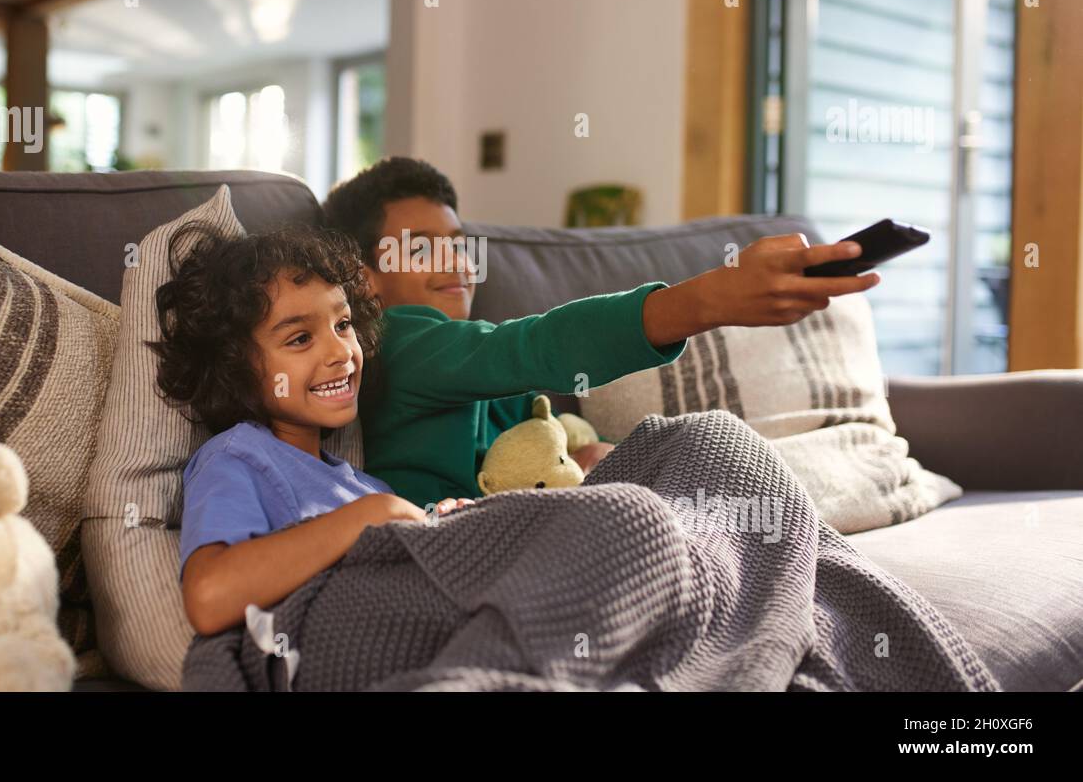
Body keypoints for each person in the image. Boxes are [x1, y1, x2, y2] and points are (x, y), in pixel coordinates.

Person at [321, 157, 878, 507]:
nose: (459, 263)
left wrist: (586, 455)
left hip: (523, 531)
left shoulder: (487, 378)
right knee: (704, 441)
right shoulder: (395, 339)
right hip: (447, 550)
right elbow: (535, 346)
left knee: (695, 445)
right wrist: (710, 299)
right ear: (364, 279)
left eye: (459, 244)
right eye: (422, 248)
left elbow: (542, 446)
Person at [150, 222, 473, 636]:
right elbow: (209, 598)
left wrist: (441, 527)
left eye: (343, 324)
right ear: (233, 367)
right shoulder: (238, 457)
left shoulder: (367, 486)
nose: (341, 352)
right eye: (301, 338)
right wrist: (375, 515)